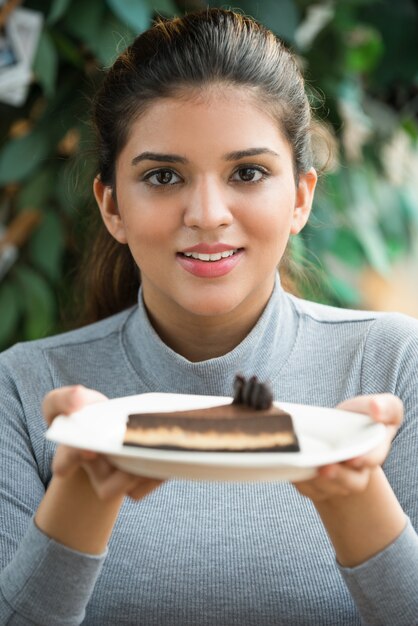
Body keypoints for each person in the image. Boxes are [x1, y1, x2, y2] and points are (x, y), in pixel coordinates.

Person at [0, 8, 417, 625]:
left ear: (301, 197)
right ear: (112, 205)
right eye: (163, 176)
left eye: (247, 173)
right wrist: (82, 495)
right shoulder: (22, 388)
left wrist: (354, 497)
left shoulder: (393, 364)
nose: (207, 213)